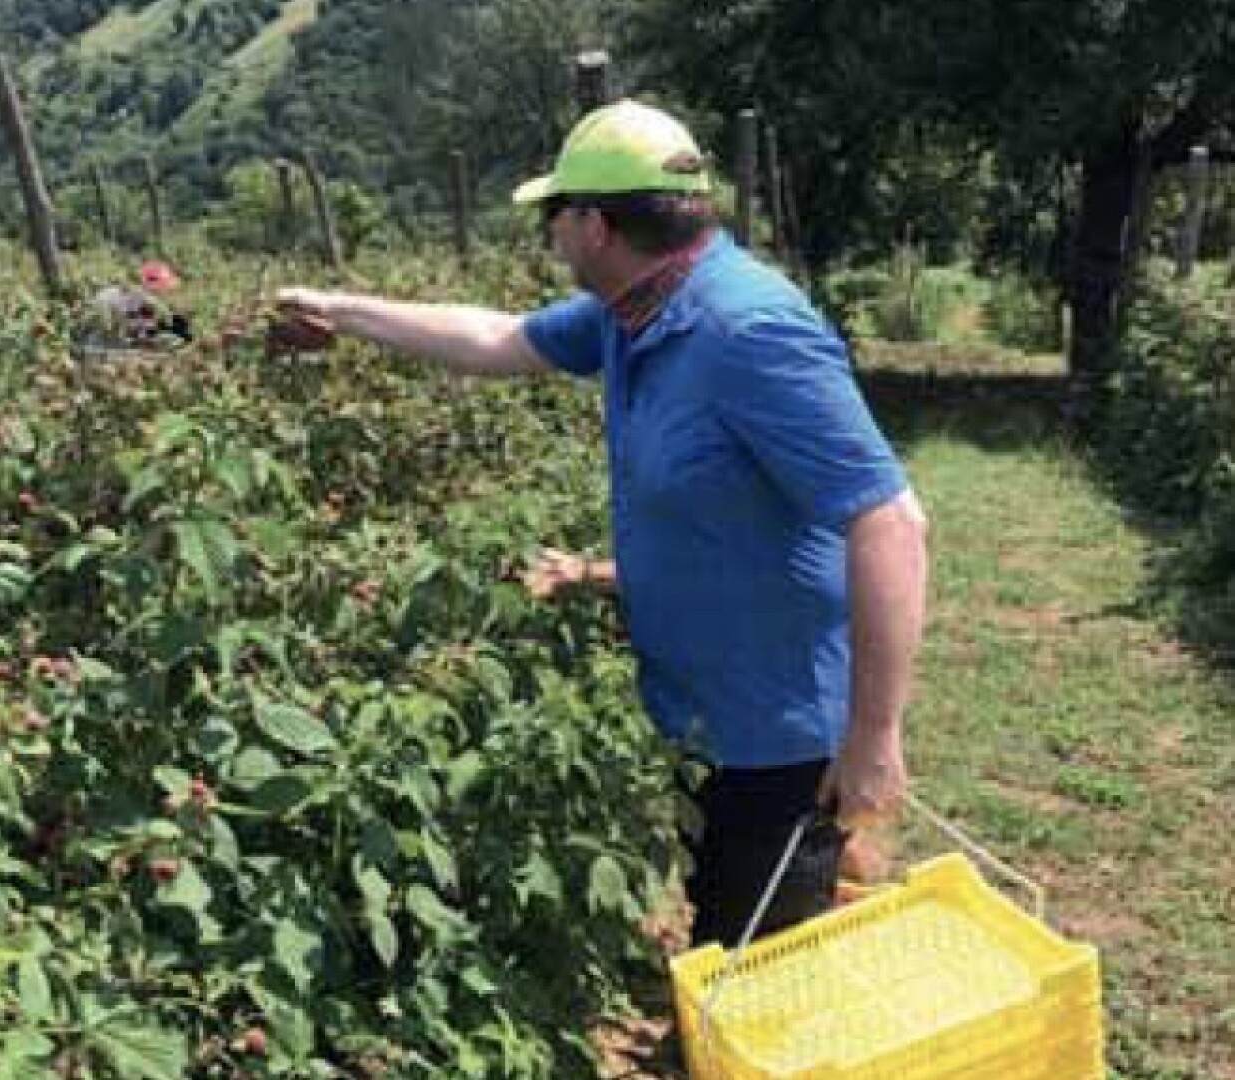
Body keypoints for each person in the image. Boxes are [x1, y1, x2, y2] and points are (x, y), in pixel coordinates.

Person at [274, 99, 929, 946]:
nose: (549, 238)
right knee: (731, 915)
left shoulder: (748, 329)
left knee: (755, 964)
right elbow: (495, 340)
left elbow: (890, 520)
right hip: (702, 709)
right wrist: (338, 309)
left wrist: (874, 733)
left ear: (592, 225)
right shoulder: (634, 312)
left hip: (778, 732)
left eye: (554, 217)